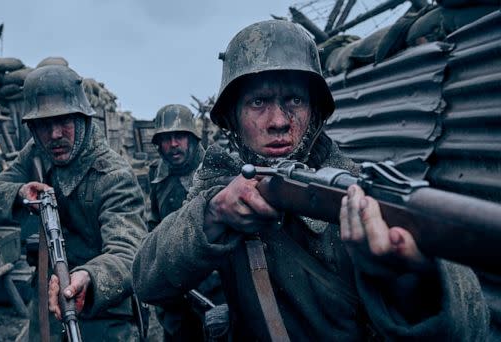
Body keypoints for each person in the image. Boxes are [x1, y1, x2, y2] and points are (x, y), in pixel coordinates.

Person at [132, 20, 489, 340]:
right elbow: (148, 281)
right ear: (233, 118)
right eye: (258, 102)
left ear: (314, 113)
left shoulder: (350, 190)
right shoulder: (220, 189)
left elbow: (469, 327)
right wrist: (212, 216)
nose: (278, 121)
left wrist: (413, 279)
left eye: (294, 101)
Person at [0, 65, 147, 341]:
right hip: (47, 303)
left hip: (100, 303)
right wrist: (19, 193)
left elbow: (130, 252)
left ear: (82, 119)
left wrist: (88, 276)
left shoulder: (114, 175)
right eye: (43, 125)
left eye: (64, 121)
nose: (54, 135)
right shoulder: (35, 155)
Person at [147, 104, 225, 341]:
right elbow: (154, 223)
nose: (173, 145)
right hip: (176, 290)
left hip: (218, 286)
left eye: (179, 136)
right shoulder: (157, 176)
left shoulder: (216, 166)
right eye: (166, 139)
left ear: (192, 138)